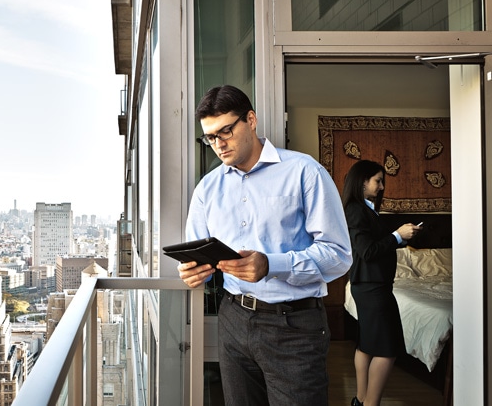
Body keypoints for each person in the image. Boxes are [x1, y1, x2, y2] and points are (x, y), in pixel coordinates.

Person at [177, 85, 352, 406]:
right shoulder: (207, 189)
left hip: (295, 326)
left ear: (251, 120)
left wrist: (272, 264)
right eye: (210, 137)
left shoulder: (304, 172)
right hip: (233, 319)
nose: (219, 144)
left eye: (226, 131)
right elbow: (196, 251)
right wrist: (191, 271)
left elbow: (338, 256)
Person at [341, 160, 420, 406]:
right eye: (378, 180)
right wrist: (397, 236)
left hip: (371, 286)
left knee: (366, 345)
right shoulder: (356, 209)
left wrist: (399, 238)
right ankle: (370, 404)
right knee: (387, 349)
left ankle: (360, 400)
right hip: (372, 288)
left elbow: (374, 245)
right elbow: (367, 251)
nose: (382, 186)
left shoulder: (365, 209)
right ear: (363, 181)